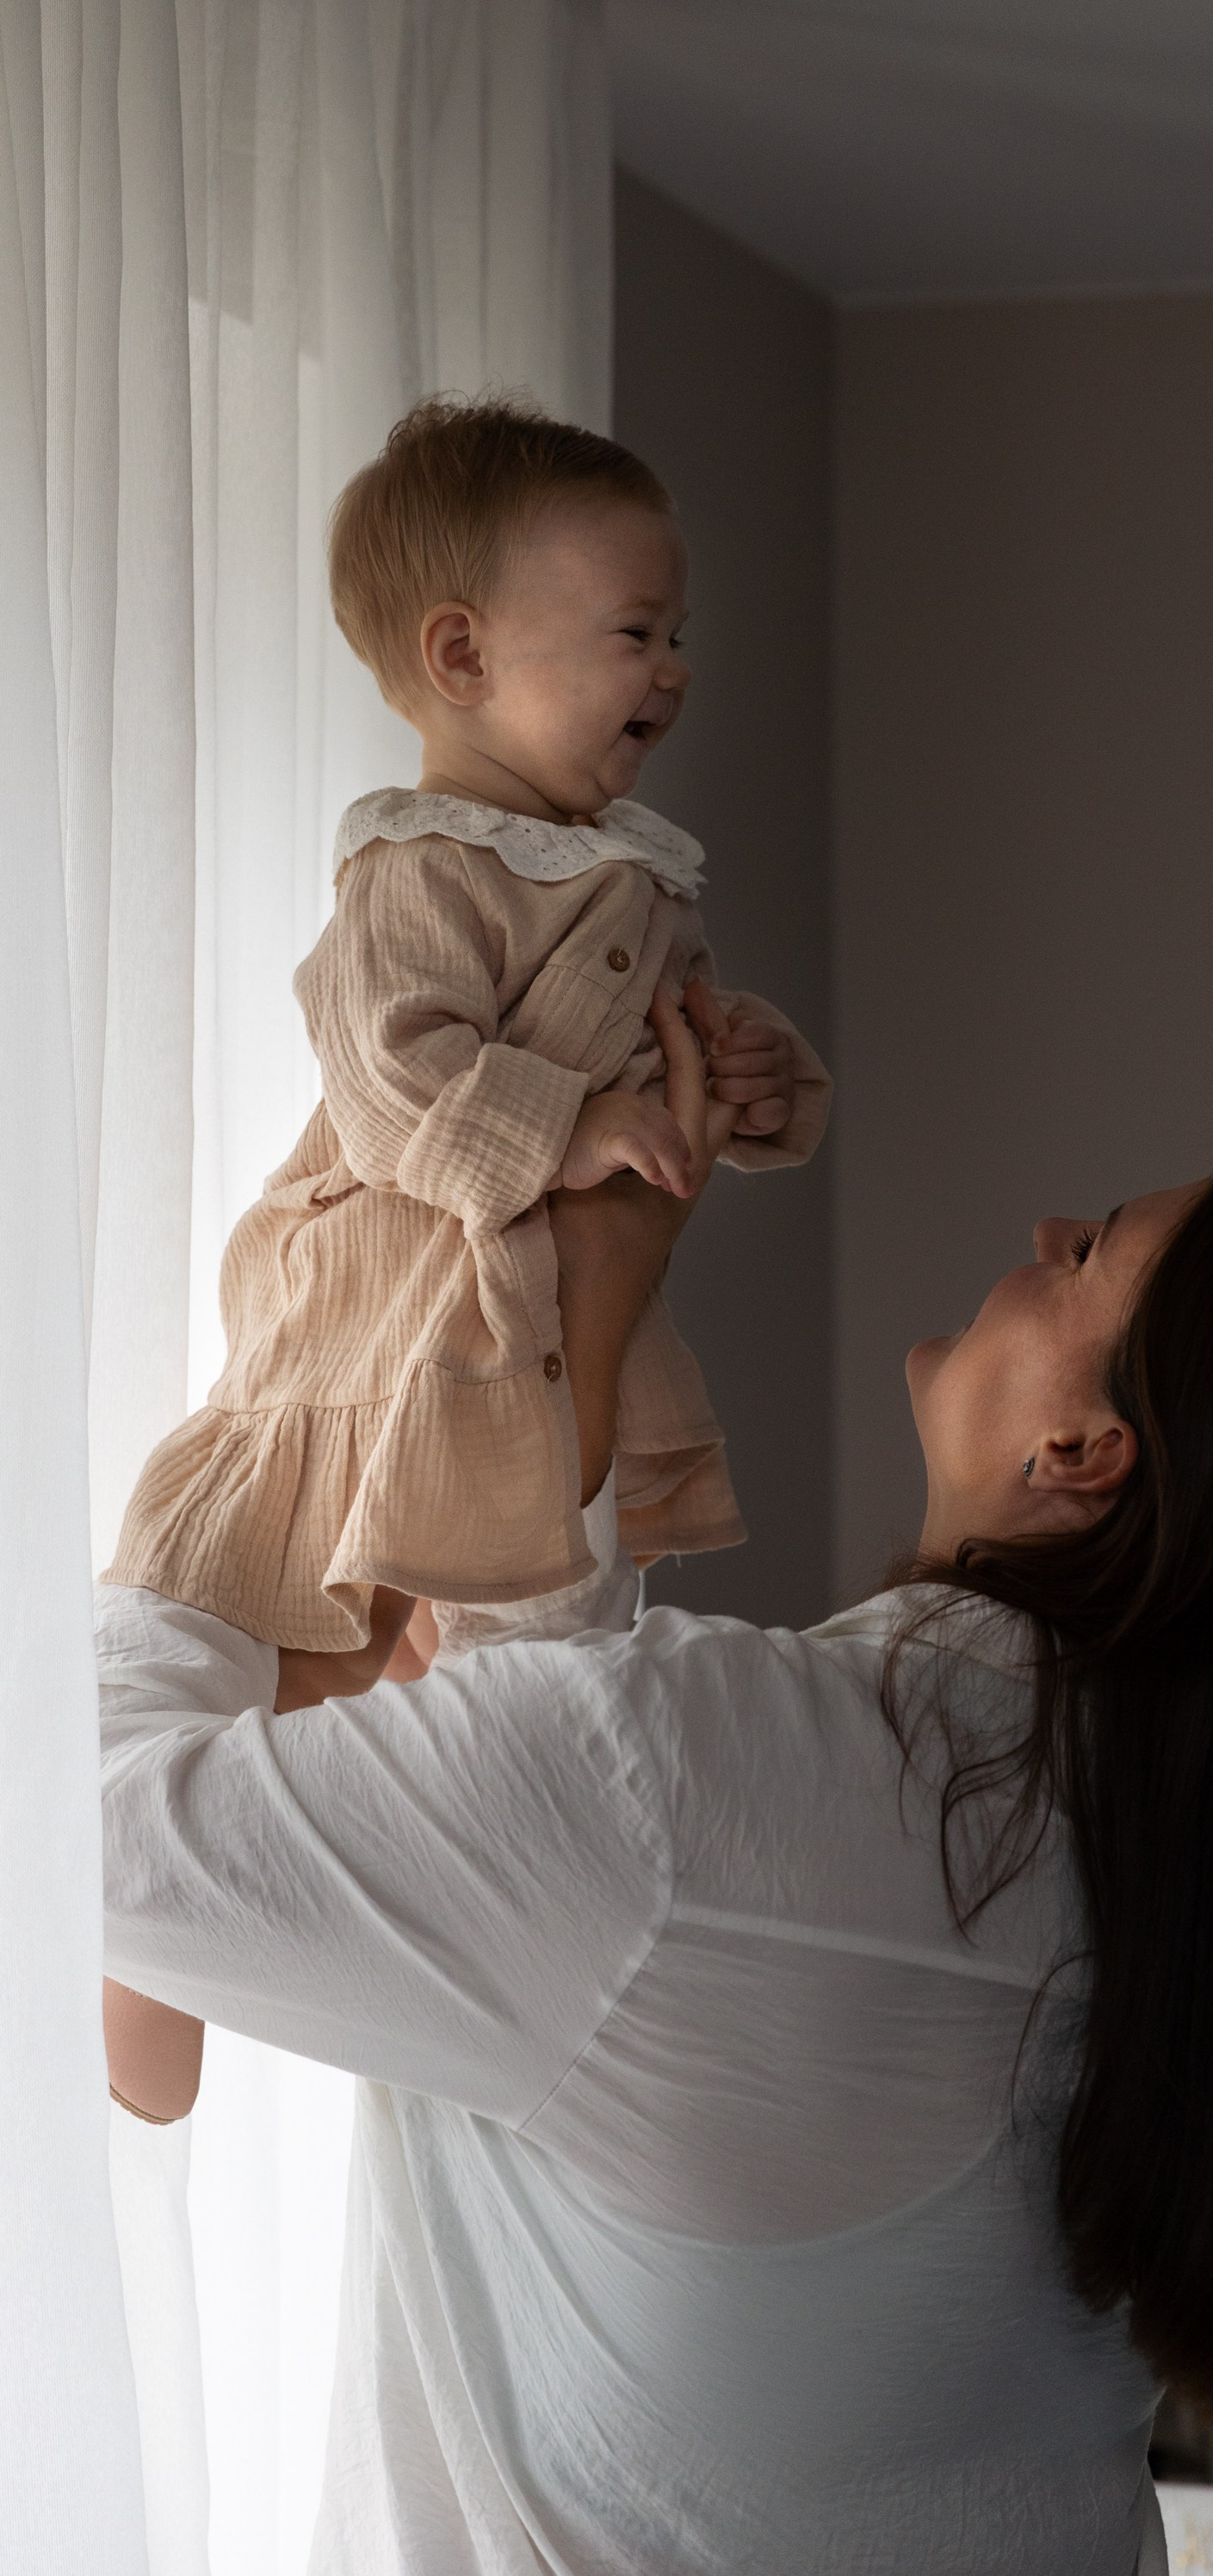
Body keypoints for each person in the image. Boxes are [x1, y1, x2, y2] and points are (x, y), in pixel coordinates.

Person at [99, 992, 1213, 2574]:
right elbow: (615, 1892)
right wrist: (589, 1308)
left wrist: (220, 1500)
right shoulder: (1151, 1880)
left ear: (1083, 1450)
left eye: (1090, 1255)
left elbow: (103, 1835)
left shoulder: (705, 1795)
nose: (1050, 1228)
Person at [100, 394, 830, 2122]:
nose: (672, 667)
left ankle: (471, 1974)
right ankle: (140, 1981)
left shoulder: (634, 876)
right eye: (634, 631)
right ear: (463, 653)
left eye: (679, 633)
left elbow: (678, 1057)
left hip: (537, 1348)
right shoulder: (418, 867)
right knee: (220, 1608)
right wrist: (568, 1135)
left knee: (520, 1680)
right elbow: (392, 1066)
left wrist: (758, 1080)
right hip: (369, 1320)